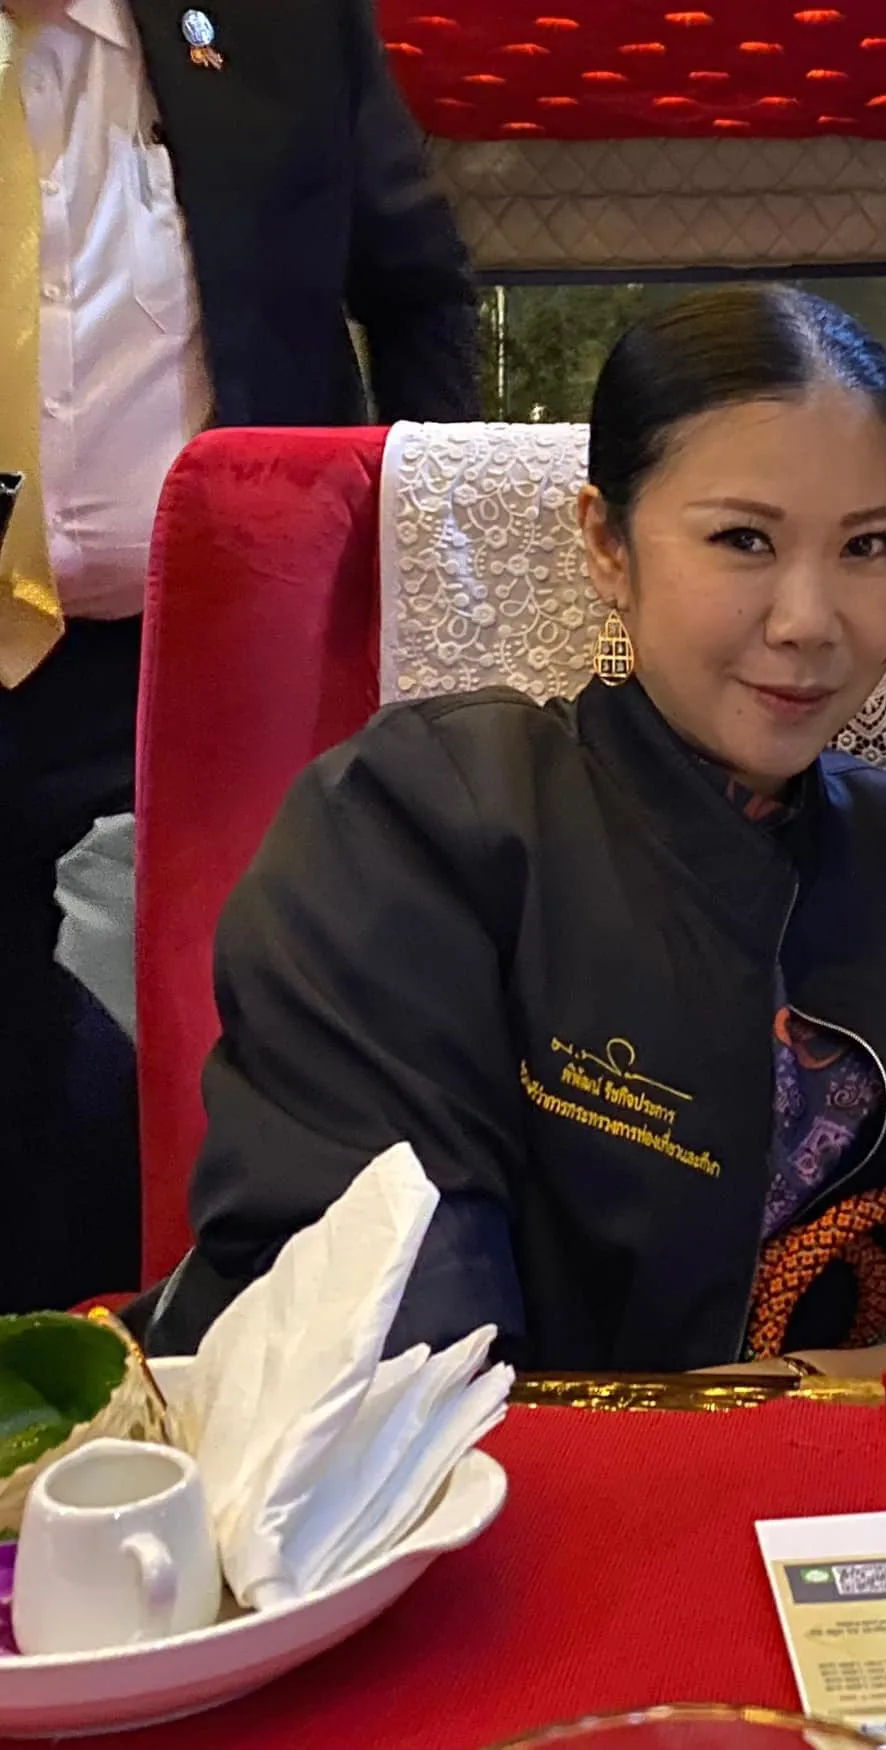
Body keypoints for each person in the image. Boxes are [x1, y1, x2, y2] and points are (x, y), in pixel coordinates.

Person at [141, 285, 886, 1380]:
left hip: (825, 1499)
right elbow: (388, 1314)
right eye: (743, 539)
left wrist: (793, 1404)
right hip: (468, 1506)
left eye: (868, 546)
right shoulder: (420, 815)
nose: (808, 620)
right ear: (606, 544)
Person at [0, 0, 479, 1310]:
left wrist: (439, 592)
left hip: (207, 650)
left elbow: (418, 288)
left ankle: (188, 1366)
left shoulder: (279, 25)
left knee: (219, 1028)